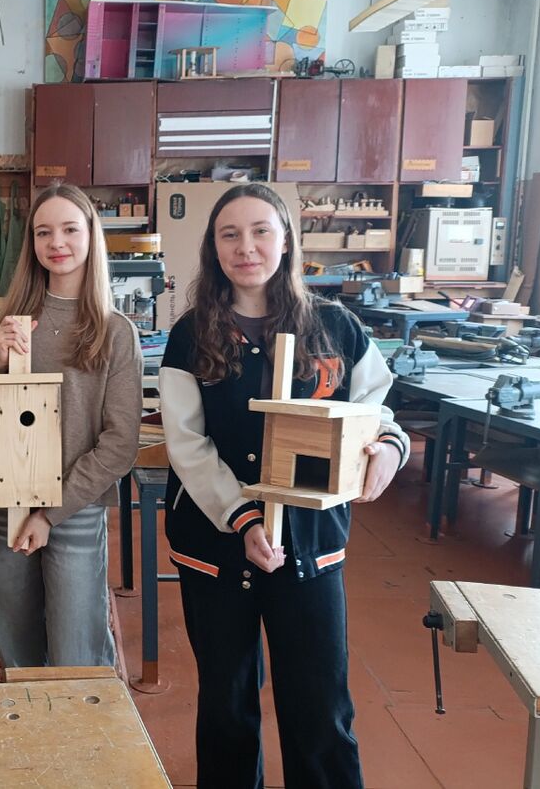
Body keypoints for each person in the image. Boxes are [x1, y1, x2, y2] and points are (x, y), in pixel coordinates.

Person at [160, 183, 409, 788]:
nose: (245, 247)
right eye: (230, 235)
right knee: (227, 704)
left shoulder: (336, 329)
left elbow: (375, 411)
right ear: (214, 248)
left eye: (260, 231)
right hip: (217, 544)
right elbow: (187, 444)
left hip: (309, 544)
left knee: (320, 706)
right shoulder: (190, 335)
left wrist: (388, 447)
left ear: (287, 241)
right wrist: (242, 517)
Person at [0, 183, 142, 667]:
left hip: (75, 512)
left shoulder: (115, 332)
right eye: (43, 232)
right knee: (17, 645)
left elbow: (120, 445)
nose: (56, 242)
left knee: (74, 651)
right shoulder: (12, 323)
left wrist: (49, 514)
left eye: (69, 229)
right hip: (9, 507)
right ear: (32, 243)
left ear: (91, 236)